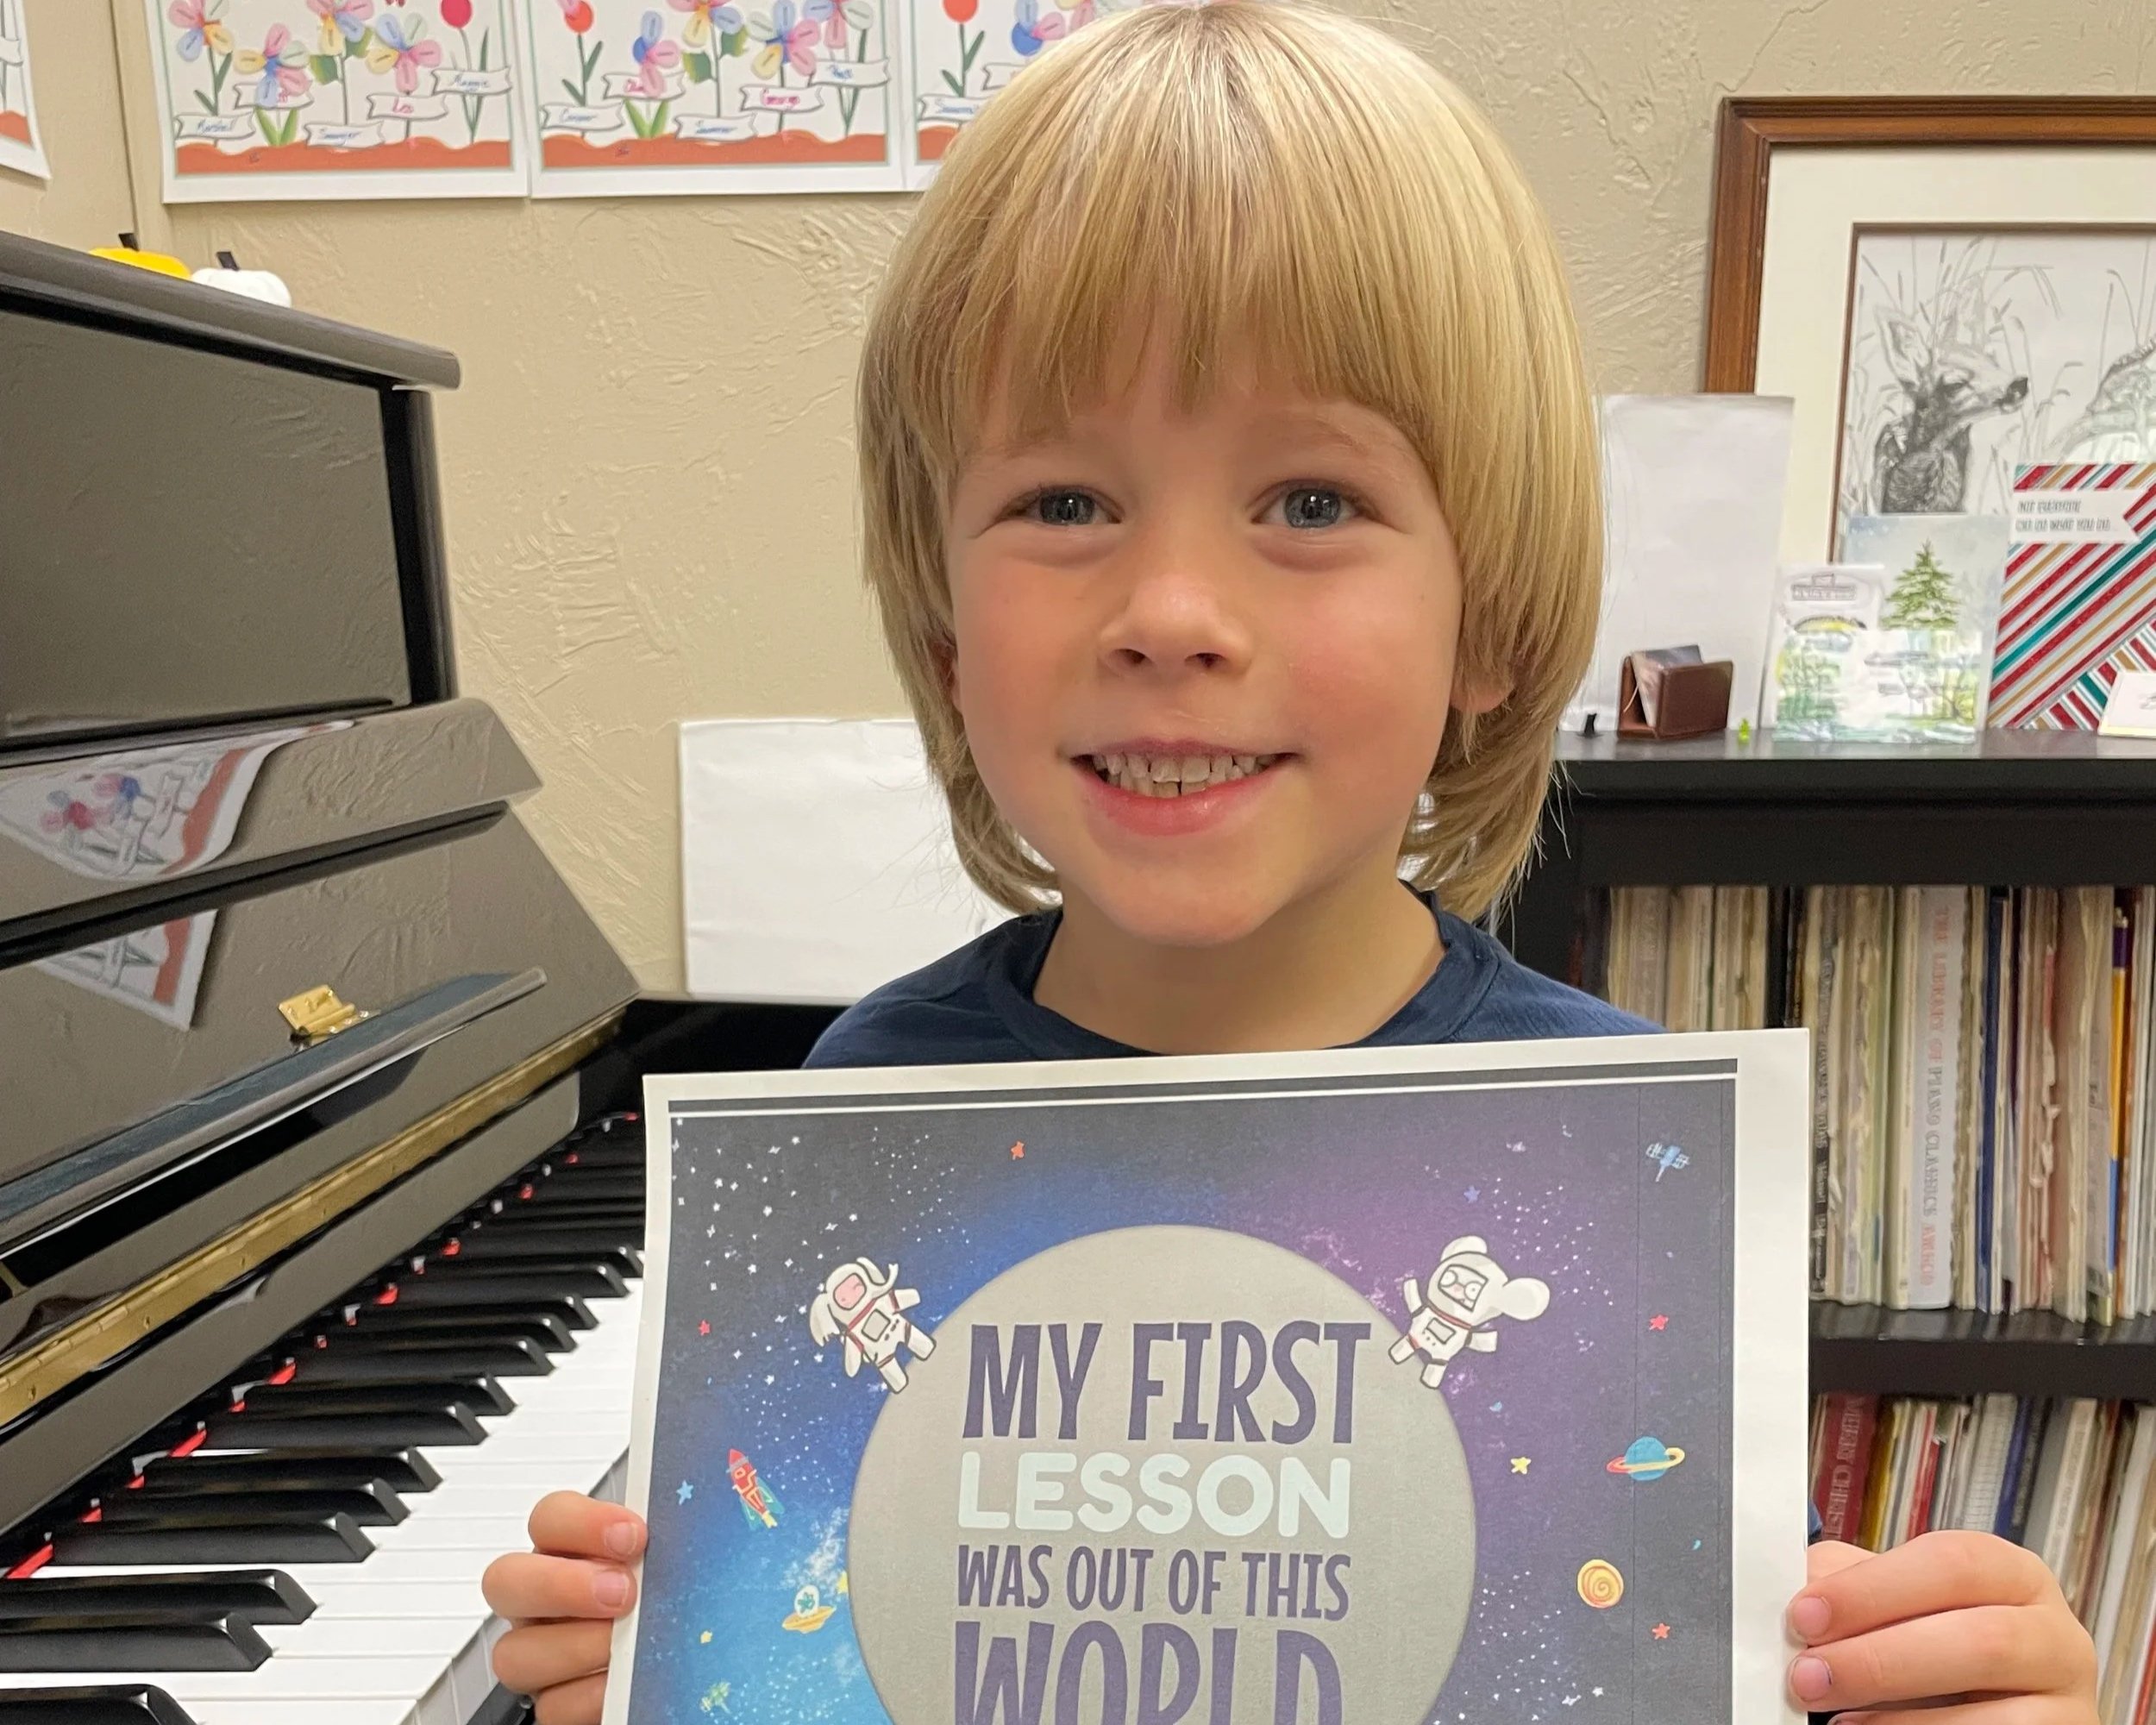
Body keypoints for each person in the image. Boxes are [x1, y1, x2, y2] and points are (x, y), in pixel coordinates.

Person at [479, 5, 2099, 1721]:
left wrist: (1934, 1685)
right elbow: (817, 1638)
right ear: (947, 626)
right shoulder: (866, 1108)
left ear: (1485, 617)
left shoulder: (1611, 1179)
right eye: (1064, 503)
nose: (1170, 614)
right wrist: (658, 1665)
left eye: (1310, 503)